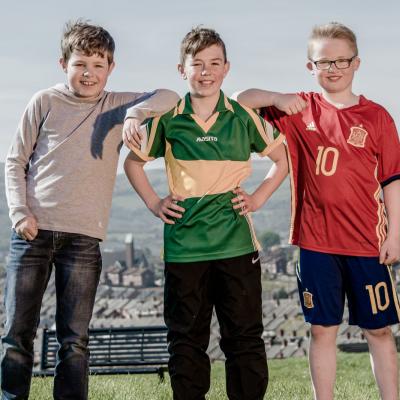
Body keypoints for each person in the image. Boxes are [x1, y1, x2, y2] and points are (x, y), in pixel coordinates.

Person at [1, 20, 179, 400]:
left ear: (110, 69)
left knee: (75, 340)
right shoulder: (44, 102)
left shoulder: (116, 104)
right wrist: (19, 213)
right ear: (63, 63)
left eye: (99, 65)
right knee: (17, 334)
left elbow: (170, 96)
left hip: (84, 238)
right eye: (81, 64)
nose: (89, 73)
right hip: (33, 232)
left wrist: (136, 114)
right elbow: (15, 161)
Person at [235, 22, 400, 400]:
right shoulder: (299, 108)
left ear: (357, 63)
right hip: (316, 243)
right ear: (310, 66)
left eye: (342, 60)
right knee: (322, 330)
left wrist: (395, 234)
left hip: (366, 243)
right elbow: (240, 98)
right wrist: (277, 96)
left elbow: (392, 179)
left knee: (379, 330)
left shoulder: (377, 117)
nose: (334, 68)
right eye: (324, 61)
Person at [123, 26, 288, 400]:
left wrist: (260, 197)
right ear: (182, 70)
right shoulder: (168, 117)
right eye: (197, 64)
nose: (206, 71)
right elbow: (133, 163)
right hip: (184, 248)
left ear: (226, 69)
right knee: (185, 340)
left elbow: (282, 159)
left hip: (236, 245)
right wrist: (154, 202)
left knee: (244, 337)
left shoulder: (242, 116)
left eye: (214, 63)